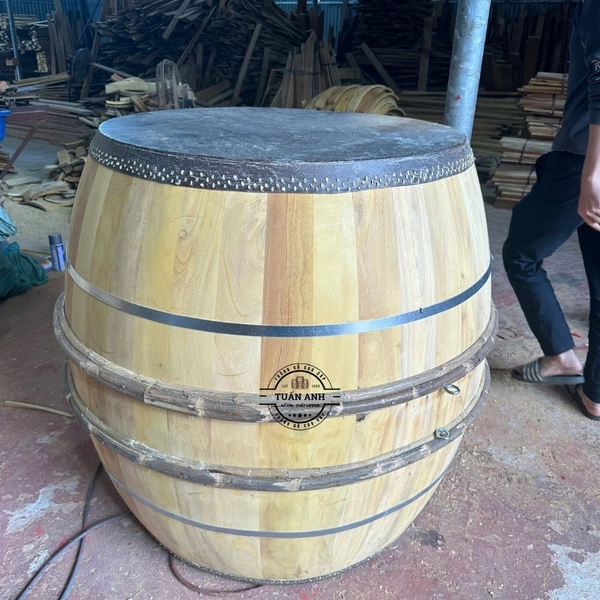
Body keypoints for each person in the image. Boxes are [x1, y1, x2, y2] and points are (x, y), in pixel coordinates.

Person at [502, 0, 600, 421]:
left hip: (583, 159)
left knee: (521, 253)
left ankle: (561, 357)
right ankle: (595, 393)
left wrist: (592, 174)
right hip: (586, 159)